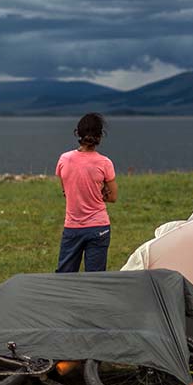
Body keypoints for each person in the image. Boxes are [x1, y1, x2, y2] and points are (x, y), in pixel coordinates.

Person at [54, 112, 118, 272]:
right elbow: (113, 197)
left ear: (78, 133)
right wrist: (99, 192)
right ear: (100, 136)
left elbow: (65, 191)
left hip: (72, 226)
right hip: (99, 227)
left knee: (64, 277)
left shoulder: (64, 159)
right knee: (96, 280)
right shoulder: (105, 163)